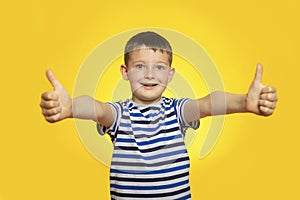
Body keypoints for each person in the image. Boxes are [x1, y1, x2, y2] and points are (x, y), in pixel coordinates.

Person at [40, 31, 278, 200]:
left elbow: (208, 103)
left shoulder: (177, 111)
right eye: (140, 66)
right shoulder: (120, 114)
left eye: (160, 67)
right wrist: (70, 107)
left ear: (170, 74)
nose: (150, 74)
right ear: (125, 72)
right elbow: (97, 108)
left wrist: (244, 102)